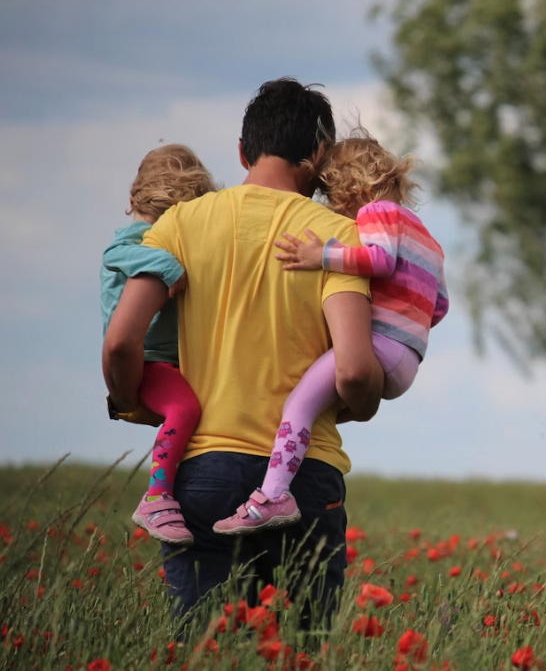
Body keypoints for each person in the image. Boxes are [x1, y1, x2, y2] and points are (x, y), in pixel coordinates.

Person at [102, 78, 384, 628]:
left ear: (242, 151)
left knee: (206, 649)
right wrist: (366, 399)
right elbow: (352, 370)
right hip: (305, 478)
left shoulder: (180, 224)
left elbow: (119, 341)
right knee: (300, 653)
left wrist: (131, 399)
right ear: (320, 155)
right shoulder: (338, 239)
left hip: (203, 471)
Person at [214, 130, 449, 535]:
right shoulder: (428, 239)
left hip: (379, 346)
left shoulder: (378, 214)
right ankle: (285, 473)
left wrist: (320, 256)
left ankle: (272, 496)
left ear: (352, 186)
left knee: (298, 406)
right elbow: (439, 306)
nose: (331, 204)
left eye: (331, 193)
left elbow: (379, 260)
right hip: (408, 358)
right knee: (317, 408)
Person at [101, 144, 216, 545]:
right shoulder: (138, 239)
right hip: (148, 360)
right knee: (185, 408)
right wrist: (168, 265)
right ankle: (157, 496)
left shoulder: (158, 235)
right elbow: (116, 253)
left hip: (169, 361)